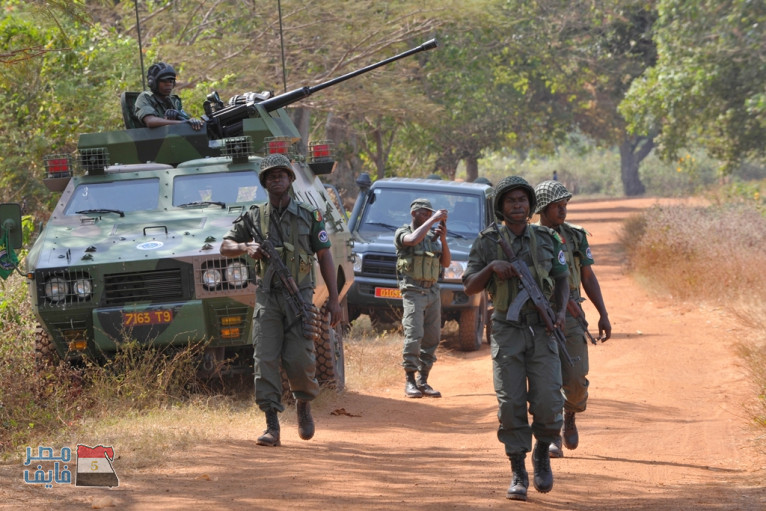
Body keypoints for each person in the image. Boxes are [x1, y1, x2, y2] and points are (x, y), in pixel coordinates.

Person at [220, 153, 341, 447]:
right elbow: (225, 245)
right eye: (271, 176)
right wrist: (246, 246)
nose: (277, 179)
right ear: (265, 182)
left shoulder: (309, 215)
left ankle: (303, 405)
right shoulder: (253, 216)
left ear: (290, 179)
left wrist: (334, 300)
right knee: (265, 361)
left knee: (300, 359)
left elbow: (325, 256)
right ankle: (272, 425)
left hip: (300, 297)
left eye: (281, 175)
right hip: (268, 298)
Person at [462, 176, 569, 501]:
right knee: (510, 404)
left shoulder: (547, 238)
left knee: (549, 401)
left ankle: (541, 453)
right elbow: (469, 286)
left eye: (523, 200)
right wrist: (492, 267)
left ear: (530, 204)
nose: (518, 206)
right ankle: (518, 469)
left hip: (543, 327)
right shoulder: (487, 242)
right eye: (511, 201)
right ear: (501, 207)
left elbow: (562, 280)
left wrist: (561, 312)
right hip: (507, 329)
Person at [533, 180, 611, 458]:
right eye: (557, 205)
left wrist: (603, 313)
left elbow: (588, 276)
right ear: (543, 208)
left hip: (572, 314)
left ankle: (570, 416)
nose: (563, 209)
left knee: (576, 379)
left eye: (565, 204)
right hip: (538, 313)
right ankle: (551, 434)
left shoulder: (575, 236)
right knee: (547, 380)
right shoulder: (528, 236)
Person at [394, 198, 451, 398]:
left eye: (430, 214)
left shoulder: (431, 238)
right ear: (414, 214)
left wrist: (442, 239)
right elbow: (411, 241)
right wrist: (433, 221)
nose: (427, 216)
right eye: (424, 213)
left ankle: (423, 380)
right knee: (414, 334)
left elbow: (446, 262)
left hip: (432, 292)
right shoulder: (404, 232)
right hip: (413, 291)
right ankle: (409, 380)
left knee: (432, 337)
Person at [134, 62, 204, 131]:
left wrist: (191, 121)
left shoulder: (173, 101)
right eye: (164, 81)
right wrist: (182, 123)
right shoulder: (145, 97)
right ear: (153, 83)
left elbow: (186, 119)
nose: (169, 84)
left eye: (171, 81)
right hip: (152, 139)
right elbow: (150, 121)